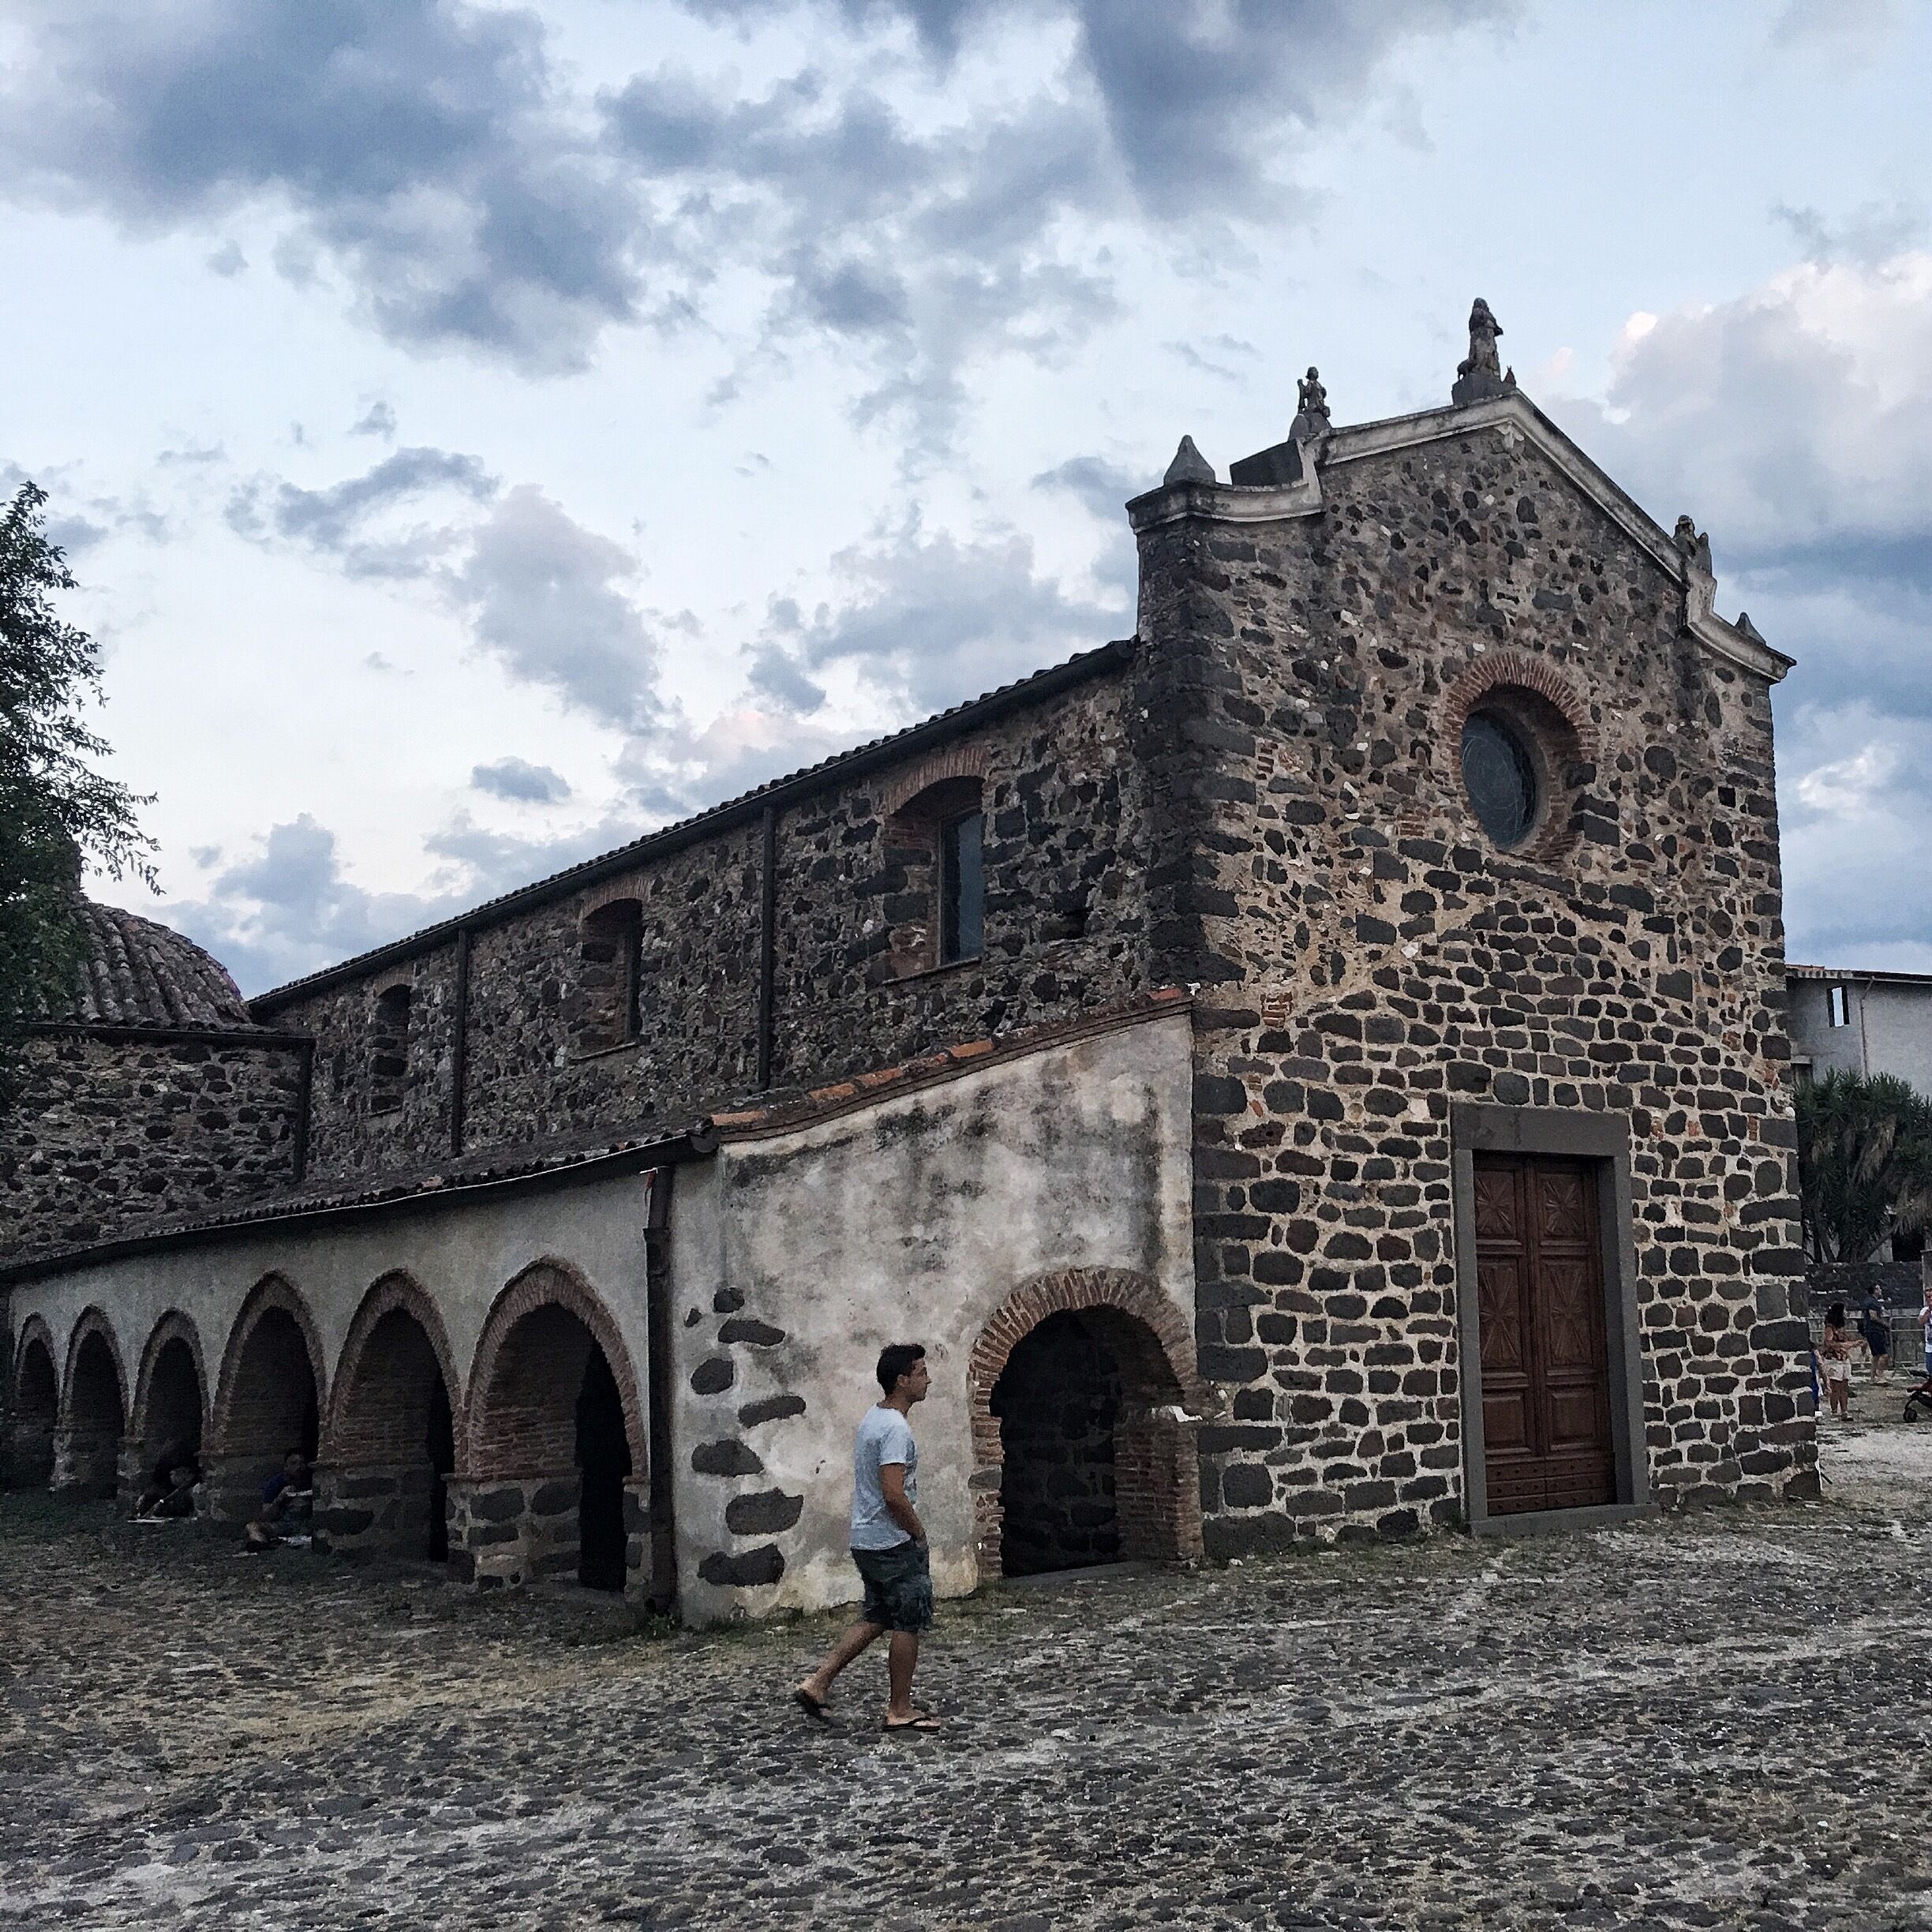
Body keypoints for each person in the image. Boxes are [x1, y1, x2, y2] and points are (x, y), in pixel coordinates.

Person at [794, 1343, 940, 1733]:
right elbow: (894, 1493)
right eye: (922, 1372)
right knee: (909, 1618)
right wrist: (917, 1530)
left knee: (878, 1615)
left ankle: (818, 1682)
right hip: (891, 1541)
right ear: (902, 1380)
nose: (928, 1379)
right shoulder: (894, 1428)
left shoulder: (873, 1418)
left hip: (866, 1537)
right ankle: (900, 1708)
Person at [243, 1450, 314, 1552]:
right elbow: (266, 1516)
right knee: (252, 1526)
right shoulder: (275, 1484)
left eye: (302, 1463)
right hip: (285, 1524)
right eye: (293, 1463)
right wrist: (280, 1498)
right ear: (286, 1467)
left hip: (308, 1523)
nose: (299, 1467)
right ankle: (260, 1544)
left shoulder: (314, 1480)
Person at [133, 1447, 200, 1520]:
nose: (171, 1476)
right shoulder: (168, 1490)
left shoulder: (192, 1491)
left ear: (186, 1474)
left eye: (174, 1473)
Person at [1819, 1303, 1855, 1421]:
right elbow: (1829, 1343)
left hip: (1843, 1359)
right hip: (1834, 1360)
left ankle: (1844, 1411)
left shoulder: (1841, 1328)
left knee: (1844, 1386)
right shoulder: (1830, 1328)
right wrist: (1842, 1345)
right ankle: (1834, 1411)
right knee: (1836, 1387)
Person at [1857, 1289, 1891, 1386]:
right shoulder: (1873, 1303)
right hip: (1875, 1330)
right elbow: (1873, 1316)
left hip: (1869, 1330)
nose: (1881, 1290)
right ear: (1875, 1291)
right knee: (1883, 1354)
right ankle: (1881, 1376)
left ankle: (1872, 1378)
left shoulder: (1868, 1301)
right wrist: (1885, 1324)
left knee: (1875, 1355)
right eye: (1879, 1288)